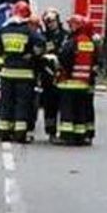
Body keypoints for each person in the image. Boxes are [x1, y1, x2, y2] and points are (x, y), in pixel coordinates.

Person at [0, 1, 43, 143]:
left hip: (7, 73)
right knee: (22, 104)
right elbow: (41, 43)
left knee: (6, 103)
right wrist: (32, 54)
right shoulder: (28, 31)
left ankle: (4, 132)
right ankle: (20, 134)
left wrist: (0, 49)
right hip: (25, 74)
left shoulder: (4, 30)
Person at [56, 15, 98, 145]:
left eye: (73, 25)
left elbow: (64, 58)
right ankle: (80, 135)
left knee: (67, 110)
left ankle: (66, 135)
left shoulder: (73, 41)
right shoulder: (89, 43)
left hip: (69, 82)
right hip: (83, 82)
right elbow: (95, 61)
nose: (70, 27)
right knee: (80, 110)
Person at [39, 8, 67, 142]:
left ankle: (65, 132)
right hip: (47, 76)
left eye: (52, 21)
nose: (50, 24)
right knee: (50, 106)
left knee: (65, 105)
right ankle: (51, 132)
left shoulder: (66, 36)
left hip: (63, 75)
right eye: (47, 22)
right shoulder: (42, 36)